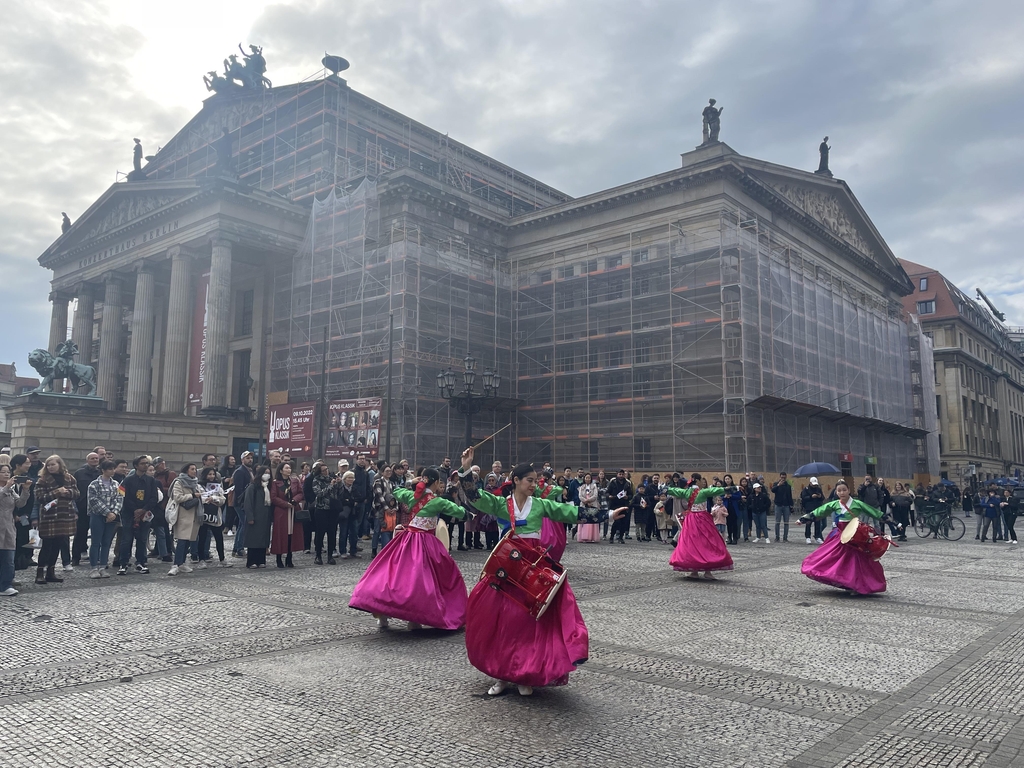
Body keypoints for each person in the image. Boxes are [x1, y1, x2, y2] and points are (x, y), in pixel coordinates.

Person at [462, 449, 609, 697]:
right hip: (506, 569)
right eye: (529, 480)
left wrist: (608, 515)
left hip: (533, 567)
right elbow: (475, 497)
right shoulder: (500, 504)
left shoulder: (540, 505)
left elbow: (571, 513)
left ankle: (524, 673)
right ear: (516, 480)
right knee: (501, 622)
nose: (534, 484)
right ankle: (501, 674)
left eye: (535, 480)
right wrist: (467, 468)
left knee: (527, 622)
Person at [349, 466, 468, 631]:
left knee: (392, 574)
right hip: (425, 542)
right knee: (421, 580)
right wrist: (467, 512)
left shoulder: (410, 495)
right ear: (436, 483)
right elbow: (460, 512)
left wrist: (411, 482)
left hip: (406, 540)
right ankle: (414, 620)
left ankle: (382, 614)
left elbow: (396, 492)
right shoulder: (437, 501)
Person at [799, 480, 886, 595]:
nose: (842, 493)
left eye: (844, 490)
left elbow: (874, 512)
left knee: (857, 560)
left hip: (855, 535)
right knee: (832, 557)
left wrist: (893, 522)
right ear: (836, 492)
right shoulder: (835, 504)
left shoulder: (857, 503)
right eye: (839, 491)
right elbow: (820, 511)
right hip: (840, 535)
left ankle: (858, 584)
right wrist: (803, 519)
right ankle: (845, 581)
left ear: (849, 491)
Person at [666, 475, 730, 579]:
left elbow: (674, 491)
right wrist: (732, 488)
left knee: (692, 544)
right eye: (701, 480)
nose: (703, 482)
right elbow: (716, 490)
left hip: (690, 520)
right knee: (708, 542)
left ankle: (694, 571)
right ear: (698, 481)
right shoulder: (703, 492)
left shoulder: (686, 492)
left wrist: (666, 489)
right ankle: (707, 571)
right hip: (702, 519)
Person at [33, 454, 80, 585]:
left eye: (53, 464)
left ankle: (51, 572)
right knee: (47, 545)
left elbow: (77, 493)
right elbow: (40, 497)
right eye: (48, 465)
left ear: (60, 465)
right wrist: (57, 492)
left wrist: (68, 493)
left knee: (58, 544)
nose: (51, 467)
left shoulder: (69, 478)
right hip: (49, 517)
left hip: (65, 515)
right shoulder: (42, 480)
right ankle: (40, 573)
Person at [117, 455, 159, 575]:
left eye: (147, 463)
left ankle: (141, 562)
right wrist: (135, 509)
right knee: (126, 539)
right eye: (143, 463)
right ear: (136, 466)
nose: (145, 465)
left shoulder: (151, 481)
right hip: (129, 514)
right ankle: (123, 563)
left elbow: (153, 498)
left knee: (142, 539)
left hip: (145, 514)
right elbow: (123, 496)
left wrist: (144, 509)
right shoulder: (127, 480)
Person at [86, 459, 122, 578]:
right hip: (98, 515)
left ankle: (103, 566)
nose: (112, 471)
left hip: (112, 516)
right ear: (103, 470)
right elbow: (93, 501)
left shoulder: (117, 484)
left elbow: (120, 499)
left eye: (113, 469)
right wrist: (107, 512)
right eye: (110, 469)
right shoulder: (94, 484)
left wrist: (114, 513)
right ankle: (93, 568)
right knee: (96, 542)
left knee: (106, 542)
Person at [0, 464, 32, 595]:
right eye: (3, 472)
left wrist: (25, 490)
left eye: (8, 472)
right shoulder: (7, 488)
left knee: (8, 557)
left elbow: (20, 503)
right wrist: (7, 487)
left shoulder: (12, 489)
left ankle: (6, 585)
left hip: (8, 525)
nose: (7, 474)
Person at [270, 463, 305, 567]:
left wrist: (294, 500)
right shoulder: (276, 483)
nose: (289, 469)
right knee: (280, 534)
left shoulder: (294, 481)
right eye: (286, 468)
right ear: (281, 470)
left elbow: (300, 492)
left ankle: (289, 558)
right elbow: (274, 497)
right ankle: (279, 558)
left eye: (290, 467)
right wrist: (285, 504)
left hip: (293, 510)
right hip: (281, 512)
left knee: (292, 534)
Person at [197, 467, 231, 568]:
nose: (211, 476)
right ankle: (201, 559)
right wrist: (206, 499)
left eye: (213, 474)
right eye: (209, 474)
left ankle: (222, 559)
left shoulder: (218, 486)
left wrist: (214, 498)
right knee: (202, 538)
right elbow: (199, 498)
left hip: (215, 515)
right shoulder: (199, 486)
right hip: (203, 514)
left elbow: (222, 499)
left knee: (218, 537)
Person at [72, 452, 101, 566]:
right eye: (92, 458)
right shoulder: (79, 473)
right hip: (82, 508)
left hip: (97, 509)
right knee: (80, 534)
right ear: (87, 460)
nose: (95, 460)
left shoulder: (100, 473)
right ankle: (75, 558)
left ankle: (96, 558)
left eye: (96, 458)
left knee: (97, 534)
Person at [8, 454, 35, 572]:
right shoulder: (8, 479)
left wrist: (26, 515)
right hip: (8, 517)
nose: (29, 465)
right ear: (18, 465)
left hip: (24, 516)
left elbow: (31, 500)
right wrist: (14, 515)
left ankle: (21, 562)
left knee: (24, 538)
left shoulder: (28, 480)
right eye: (26, 463)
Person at [242, 466, 273, 568]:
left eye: (269, 473)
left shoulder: (268, 487)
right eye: (265, 473)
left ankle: (261, 560)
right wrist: (250, 517)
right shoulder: (253, 487)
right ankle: (251, 561)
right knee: (253, 540)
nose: (267, 475)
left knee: (263, 539)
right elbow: (248, 503)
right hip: (255, 516)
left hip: (265, 517)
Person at [370, 463, 397, 558]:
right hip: (379, 509)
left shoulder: (392, 483)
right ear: (382, 472)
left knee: (388, 529)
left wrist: (395, 508)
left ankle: (386, 549)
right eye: (387, 471)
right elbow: (379, 496)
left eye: (390, 471)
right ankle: (374, 549)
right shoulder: (378, 482)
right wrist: (386, 508)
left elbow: (395, 495)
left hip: (390, 509)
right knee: (377, 530)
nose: (389, 473)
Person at [230, 451, 254, 558]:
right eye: (247, 458)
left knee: (241, 525)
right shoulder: (240, 471)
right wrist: (243, 502)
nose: (250, 460)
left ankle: (236, 548)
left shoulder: (249, 471)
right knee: (244, 524)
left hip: (245, 502)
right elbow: (239, 489)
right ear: (242, 460)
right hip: (241, 502)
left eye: (251, 458)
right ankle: (239, 548)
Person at [800, 478, 826, 544]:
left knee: (818, 523)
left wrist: (820, 496)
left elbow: (823, 498)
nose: (815, 486)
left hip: (817, 508)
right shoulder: (806, 489)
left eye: (816, 485)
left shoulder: (818, 489)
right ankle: (808, 537)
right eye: (813, 485)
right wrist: (811, 497)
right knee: (808, 523)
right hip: (809, 508)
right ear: (810, 483)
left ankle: (817, 537)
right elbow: (803, 498)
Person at [577, 473, 601, 542]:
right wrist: (585, 501)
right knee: (584, 520)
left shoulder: (594, 486)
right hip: (584, 505)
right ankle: (583, 537)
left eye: (589, 478)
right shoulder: (582, 487)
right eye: (586, 478)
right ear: (584, 479)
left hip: (592, 505)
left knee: (592, 521)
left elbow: (595, 495)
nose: (587, 479)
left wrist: (589, 500)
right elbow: (580, 496)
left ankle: (592, 537)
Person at [771, 472, 793, 542]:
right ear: (780, 477)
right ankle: (777, 537)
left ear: (786, 477)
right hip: (778, 505)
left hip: (786, 505)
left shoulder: (788, 486)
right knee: (777, 522)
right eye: (782, 477)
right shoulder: (776, 484)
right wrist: (778, 485)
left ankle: (785, 538)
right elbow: (772, 490)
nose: (783, 479)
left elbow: (790, 496)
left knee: (786, 522)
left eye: (784, 477)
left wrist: (791, 505)